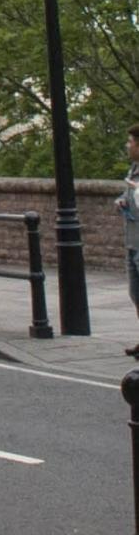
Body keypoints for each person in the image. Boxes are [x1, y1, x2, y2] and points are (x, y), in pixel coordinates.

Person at [119, 125, 139, 360]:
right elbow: (128, 194)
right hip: (132, 240)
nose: (127, 145)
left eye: (130, 141)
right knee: (136, 294)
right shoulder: (134, 168)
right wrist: (122, 199)